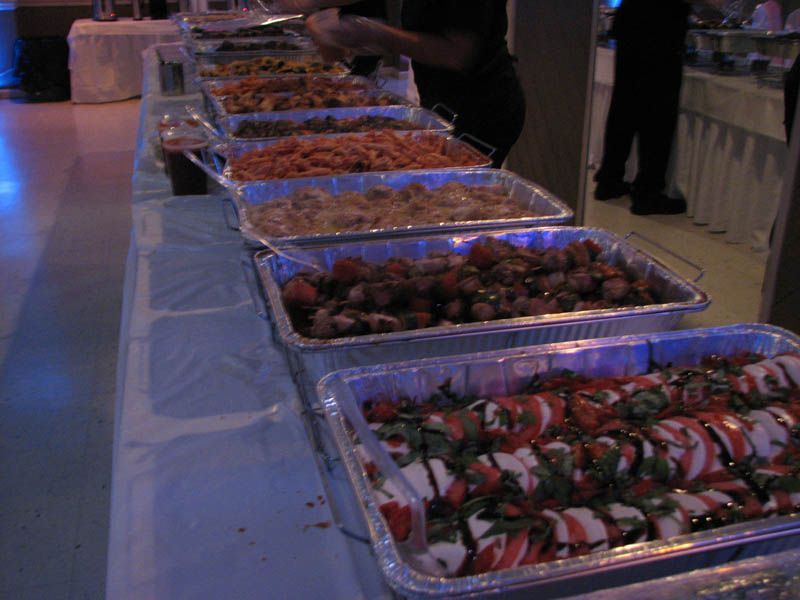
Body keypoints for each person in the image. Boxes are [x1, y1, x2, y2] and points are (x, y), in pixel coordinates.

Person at [278, 0, 525, 167]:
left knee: (458, 196)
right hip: (441, 100)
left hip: (483, 108)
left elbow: (456, 53)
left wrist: (374, 32)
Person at [594, 0, 690, 215]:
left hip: (631, 21)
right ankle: (648, 193)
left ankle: (609, 179)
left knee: (624, 106)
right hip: (661, 27)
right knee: (656, 114)